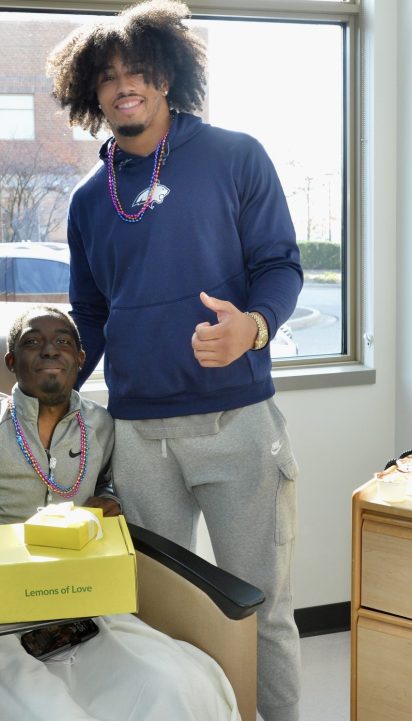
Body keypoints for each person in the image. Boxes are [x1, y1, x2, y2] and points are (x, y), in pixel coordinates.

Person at [47, 3, 304, 721]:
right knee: (159, 618)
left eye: (138, 71)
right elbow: (90, 317)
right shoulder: (87, 200)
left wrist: (252, 328)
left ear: (168, 76)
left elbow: (280, 264)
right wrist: (47, 387)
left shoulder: (234, 155)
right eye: (107, 77)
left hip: (237, 424)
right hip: (139, 439)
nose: (124, 86)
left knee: (260, 611)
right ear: (89, 92)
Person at [0, 305, 240, 721]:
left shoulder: (103, 427)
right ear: (11, 362)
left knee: (173, 687)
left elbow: (108, 481)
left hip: (76, 604)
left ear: (80, 359)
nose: (50, 349)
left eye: (64, 342)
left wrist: (108, 500)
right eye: (32, 342)